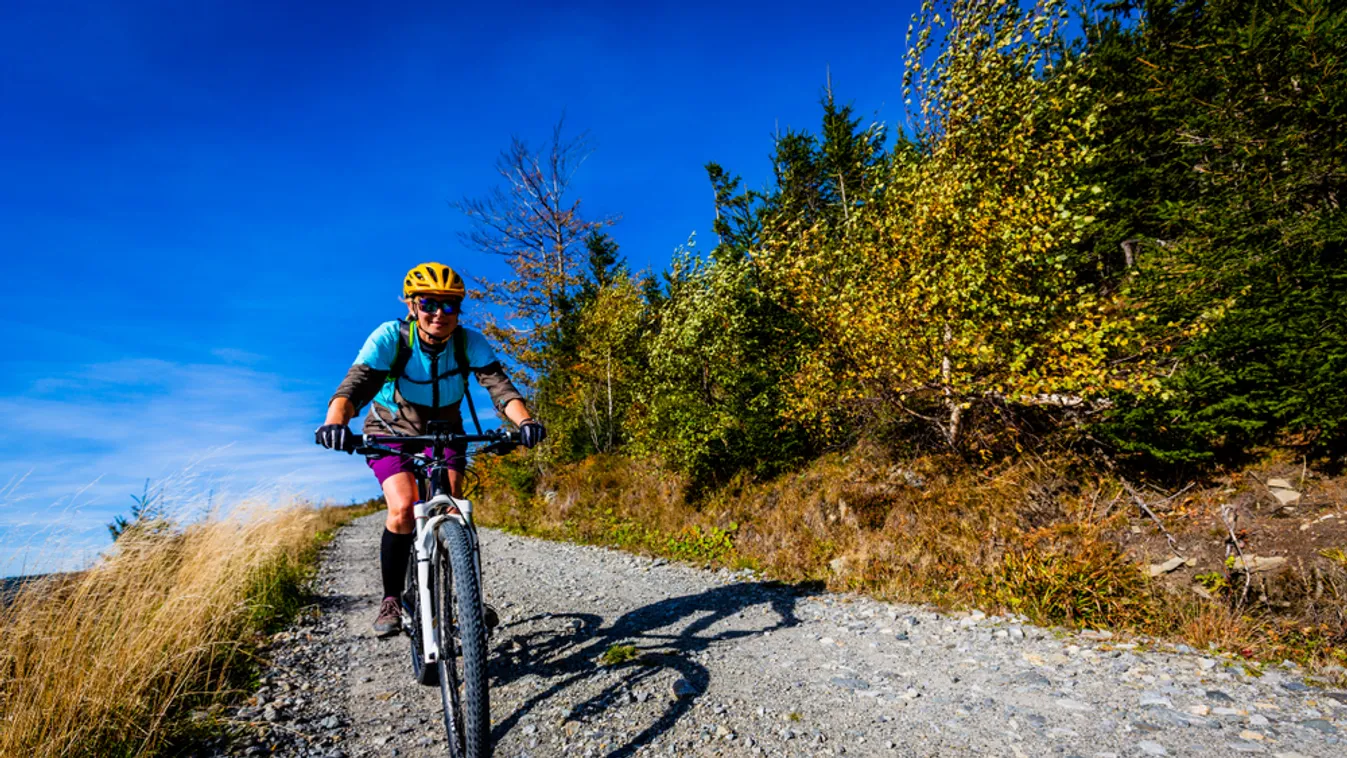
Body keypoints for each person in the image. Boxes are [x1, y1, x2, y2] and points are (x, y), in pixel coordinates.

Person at [315, 262, 545, 637]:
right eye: (428, 303)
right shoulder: (392, 336)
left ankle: (465, 598)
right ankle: (392, 597)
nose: (439, 313)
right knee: (404, 507)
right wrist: (335, 423)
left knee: (452, 503)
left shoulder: (469, 342)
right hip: (392, 428)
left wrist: (526, 423)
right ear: (412, 305)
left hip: (445, 428)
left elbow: (501, 389)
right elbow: (354, 387)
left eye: (450, 305)